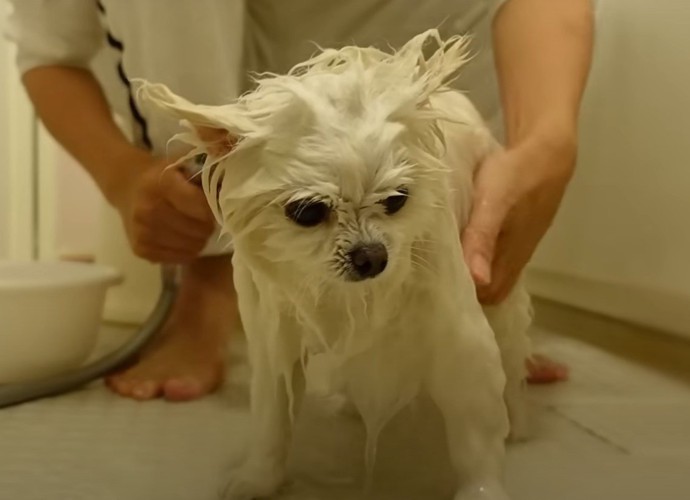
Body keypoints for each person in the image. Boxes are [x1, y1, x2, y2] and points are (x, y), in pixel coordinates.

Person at [6, 0, 592, 401]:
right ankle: (209, 290)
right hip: (209, 96)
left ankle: (459, 310)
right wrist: (122, 174)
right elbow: (50, 50)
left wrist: (546, 138)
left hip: (426, 80)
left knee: (417, 235)